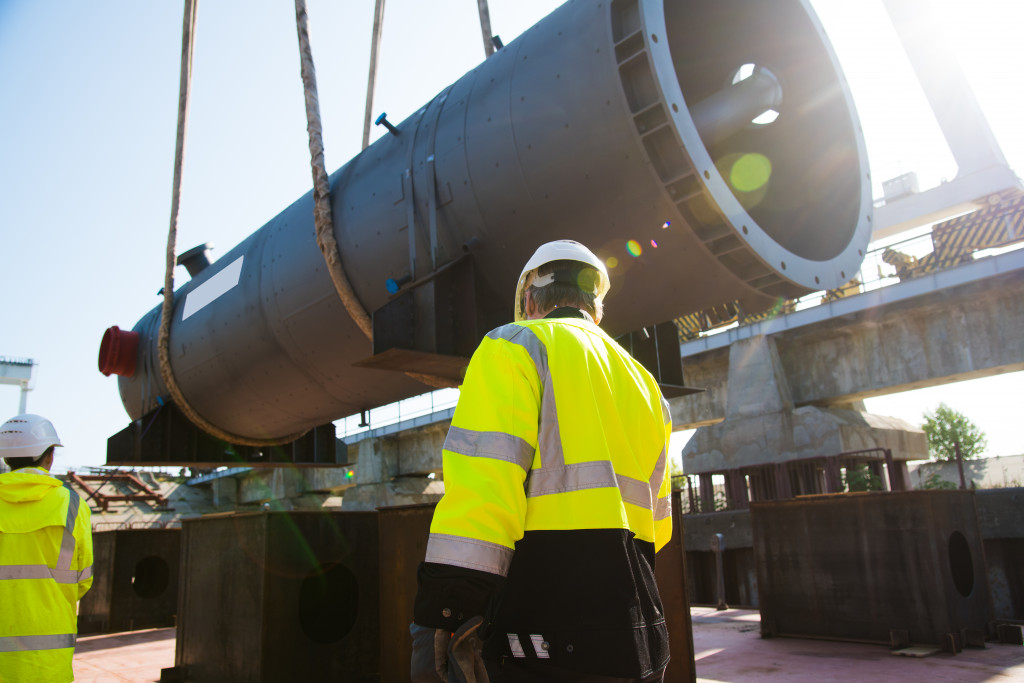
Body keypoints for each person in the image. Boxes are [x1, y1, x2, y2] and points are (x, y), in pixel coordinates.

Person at [412, 240, 672, 682]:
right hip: (636, 639)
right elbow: (659, 525)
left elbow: (484, 495)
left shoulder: (512, 346)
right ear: (597, 308)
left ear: (530, 300)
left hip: (538, 640)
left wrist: (448, 609)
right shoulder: (645, 383)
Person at [0, 414, 93, 683]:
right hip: (47, 660)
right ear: (49, 456)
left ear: (7, 458)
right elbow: (83, 579)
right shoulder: (72, 505)